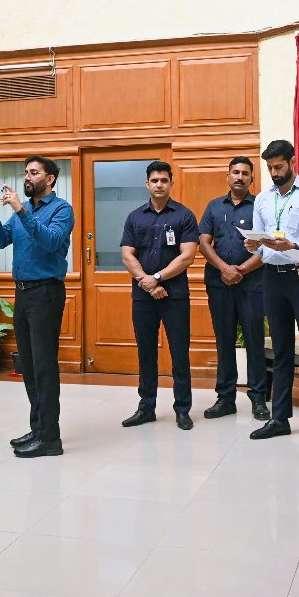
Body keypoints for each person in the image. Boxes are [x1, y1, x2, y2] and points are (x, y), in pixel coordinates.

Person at [244, 139, 299, 447]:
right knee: (281, 351)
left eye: (279, 167)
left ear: (292, 161)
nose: (274, 173)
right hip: (272, 277)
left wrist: (295, 246)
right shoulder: (262, 199)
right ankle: (279, 418)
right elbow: (259, 237)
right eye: (269, 168)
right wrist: (253, 244)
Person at [0, 156, 74, 457]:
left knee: (45, 365)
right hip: (22, 294)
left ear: (49, 179)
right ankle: (38, 428)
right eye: (26, 172)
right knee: (30, 365)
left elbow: (49, 241)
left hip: (46, 293)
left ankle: (50, 438)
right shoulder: (23, 212)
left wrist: (21, 210)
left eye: (34, 173)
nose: (27, 177)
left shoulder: (62, 210)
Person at [119, 161, 199, 431]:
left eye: (164, 180)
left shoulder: (185, 216)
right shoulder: (134, 217)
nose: (159, 185)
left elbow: (187, 256)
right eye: (154, 180)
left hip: (175, 296)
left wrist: (158, 278)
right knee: (146, 353)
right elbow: (127, 255)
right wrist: (147, 282)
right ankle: (146, 407)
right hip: (143, 296)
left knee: (179, 353)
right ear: (147, 184)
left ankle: (182, 409)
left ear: (171, 183)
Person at [197, 157, 269, 421]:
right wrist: (224, 269)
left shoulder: (260, 207)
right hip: (219, 284)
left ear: (252, 179)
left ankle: (259, 398)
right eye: (235, 172)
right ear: (227, 176)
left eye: (245, 173)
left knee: (254, 340)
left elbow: (267, 247)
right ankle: (225, 398)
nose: (239, 177)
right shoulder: (214, 207)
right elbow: (203, 243)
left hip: (252, 284)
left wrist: (241, 271)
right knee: (224, 340)